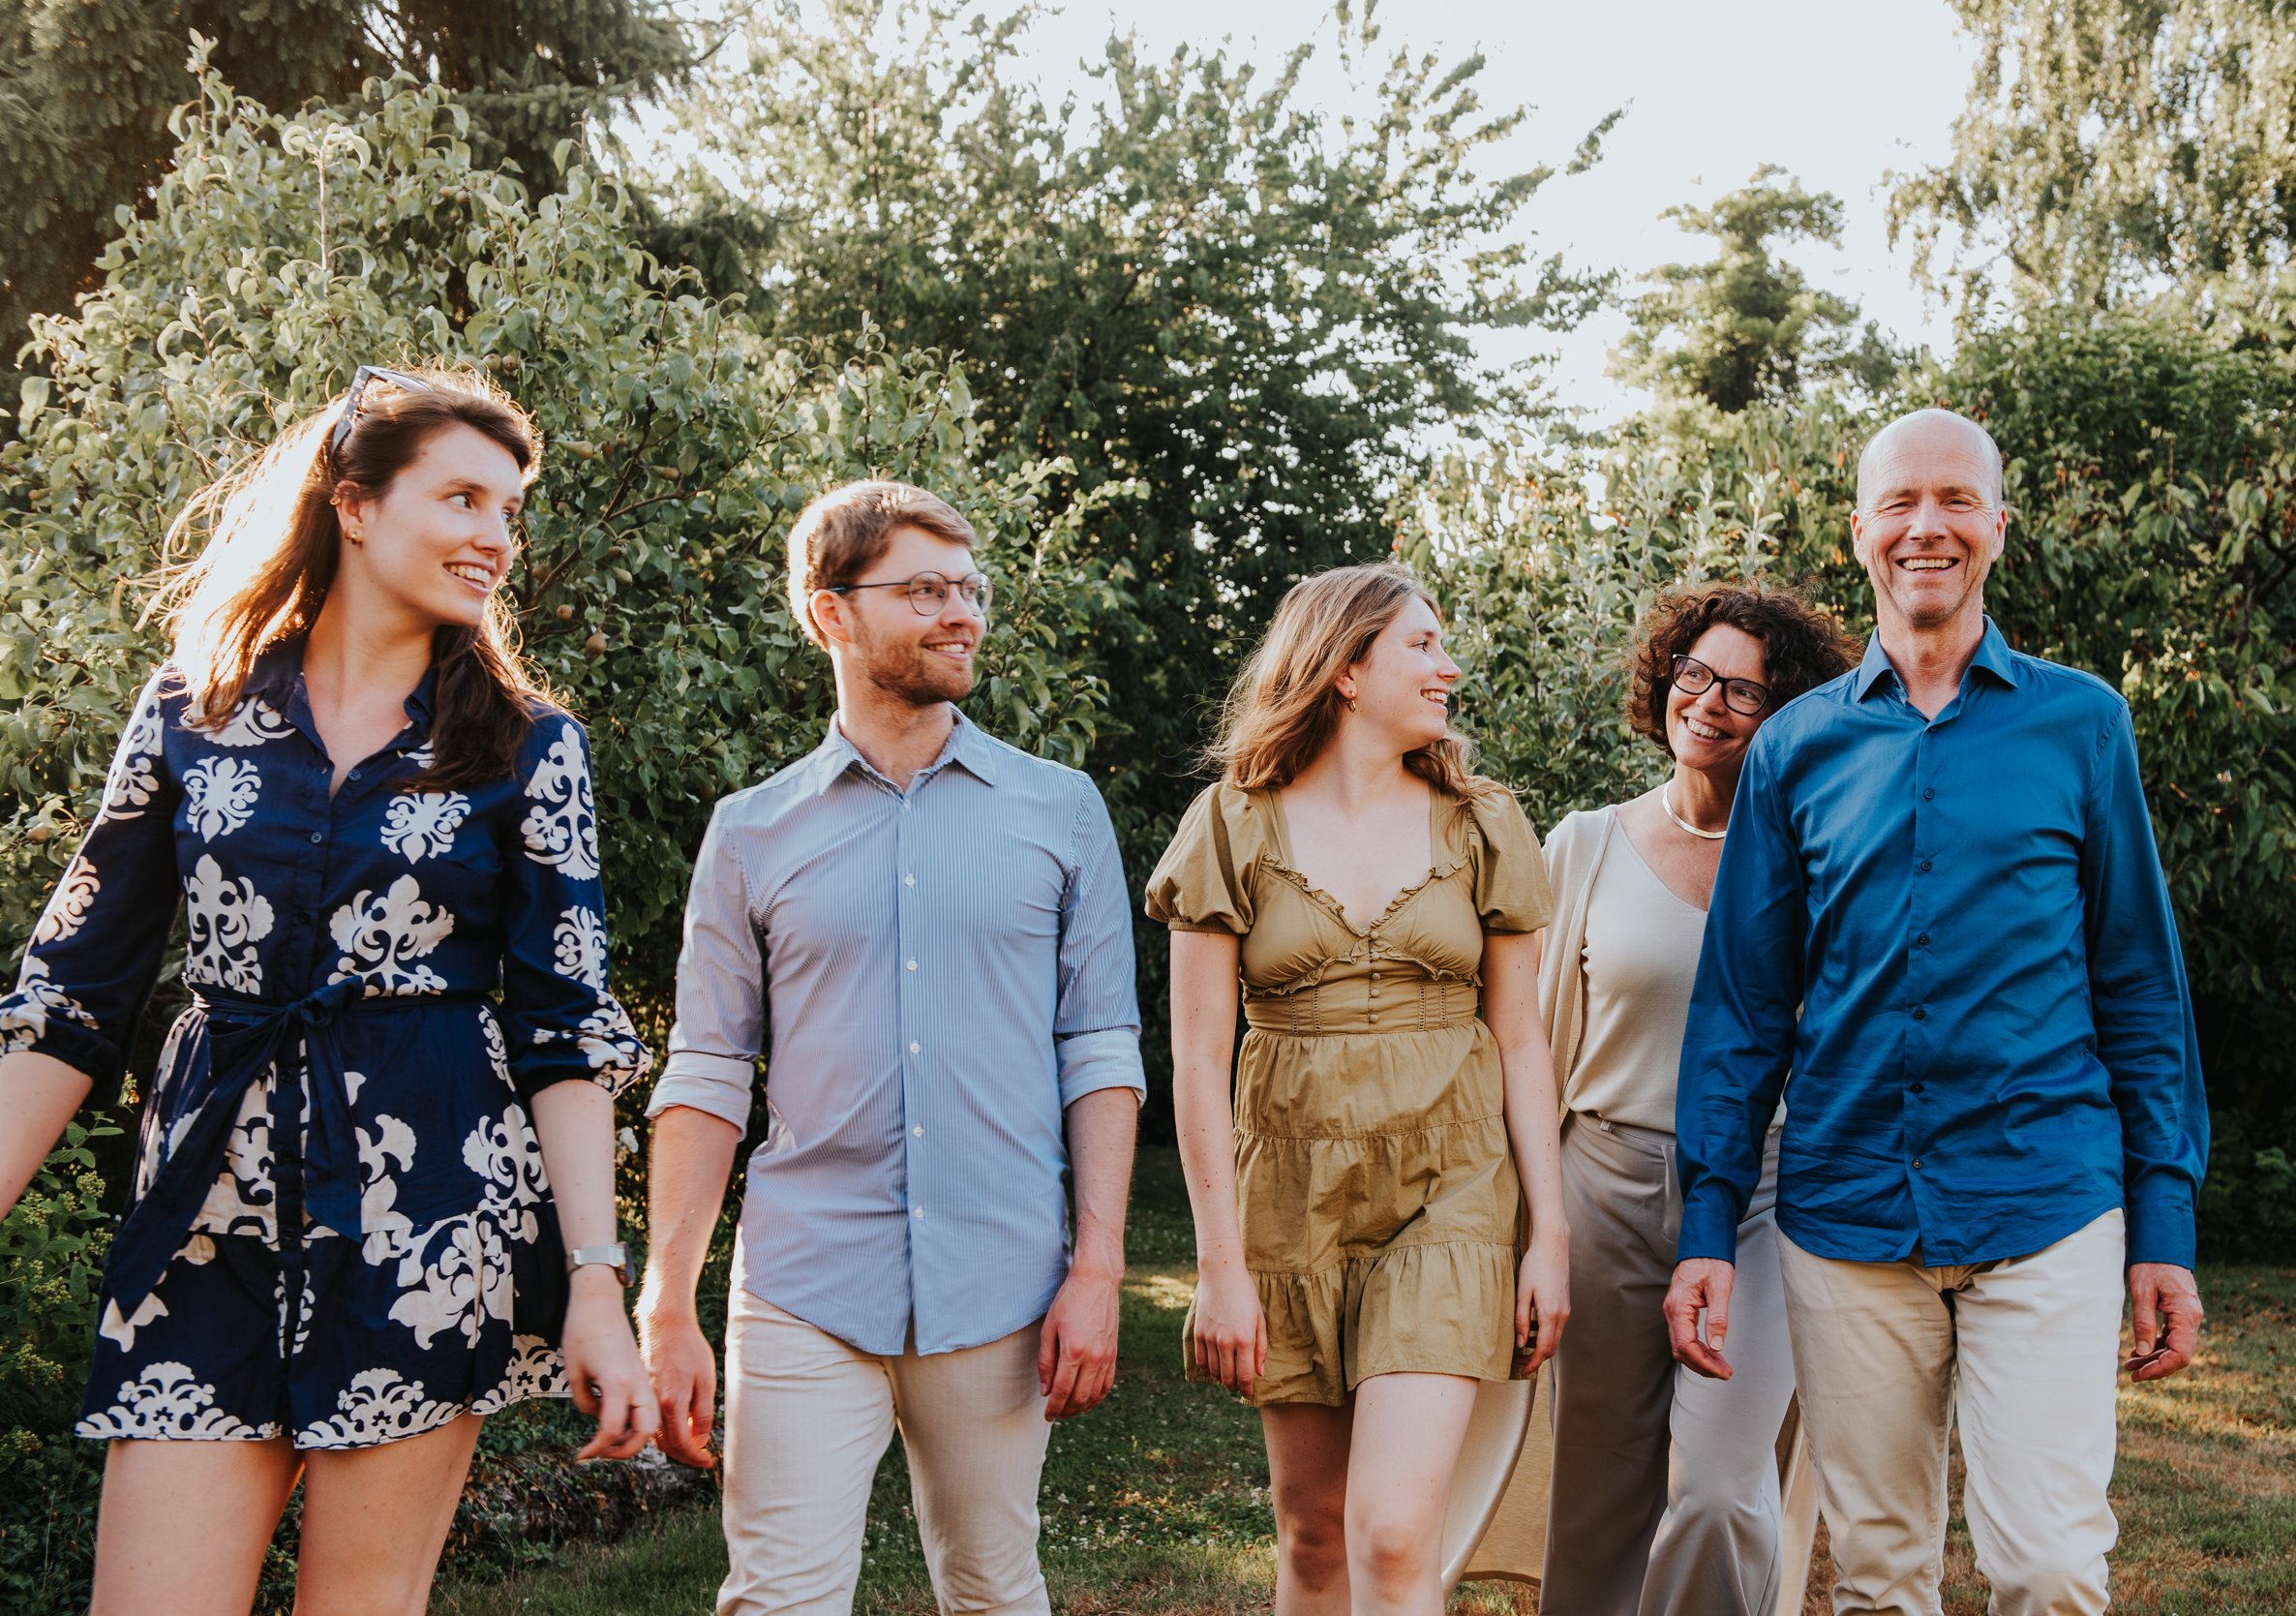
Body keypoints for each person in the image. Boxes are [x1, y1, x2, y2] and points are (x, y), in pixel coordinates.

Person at [0, 364, 657, 1616]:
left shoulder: (528, 748)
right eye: (463, 498)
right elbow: (68, 998)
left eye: (510, 511)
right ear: (353, 503)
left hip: (427, 1231)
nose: (495, 537)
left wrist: (596, 1284)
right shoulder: (191, 715)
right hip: (209, 1226)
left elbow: (566, 1036)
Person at [1665, 408, 2209, 1616]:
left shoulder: (2082, 724)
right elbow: (1743, 1006)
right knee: (1877, 1578)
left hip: (2048, 1202)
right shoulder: (1794, 750)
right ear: (1859, 533)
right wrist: (1707, 1219)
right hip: (1846, 1213)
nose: (1928, 525)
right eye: (1900, 503)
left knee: (2051, 1570)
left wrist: (2161, 1223)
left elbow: (2138, 986)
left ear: (1997, 530)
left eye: (1957, 500)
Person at [637, 479, 1146, 1616]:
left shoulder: (1059, 810)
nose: (961, 612)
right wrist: (668, 1301)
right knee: (778, 1597)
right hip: (807, 1278)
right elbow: (708, 1070)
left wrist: (1099, 1266)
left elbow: (1100, 1046)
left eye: (969, 588)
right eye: (924, 590)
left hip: (1004, 1280)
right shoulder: (751, 830)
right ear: (831, 614)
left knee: (993, 1588)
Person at [1147, 561, 1569, 1616]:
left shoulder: (1484, 821)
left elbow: (1520, 1039)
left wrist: (1549, 1237)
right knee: (1316, 1534)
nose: (1449, 666)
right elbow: (1194, 1060)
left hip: (1452, 1184)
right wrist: (1219, 1265)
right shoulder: (1229, 822)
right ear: (1344, 667)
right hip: (1289, 1193)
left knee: (1391, 1530)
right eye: (1423, 645)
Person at [1536, 584, 1857, 1616]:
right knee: (1598, 1498)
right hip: (1602, 1187)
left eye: (1747, 693)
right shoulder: (1582, 845)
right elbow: (1533, 1051)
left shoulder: (1818, 865)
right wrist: (1528, 1223)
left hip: (1764, 1196)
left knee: (1723, 1493)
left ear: (1788, 714)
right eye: (1696, 675)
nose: (1711, 703)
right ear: (1663, 678)